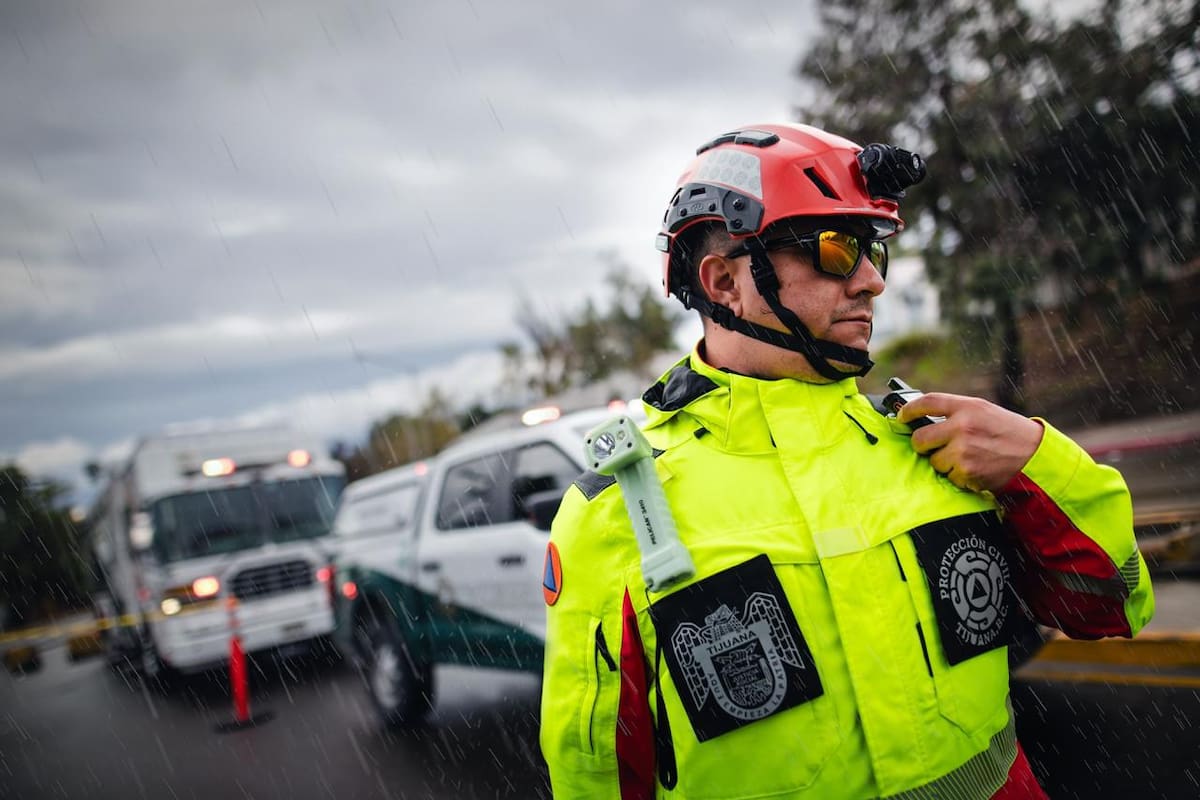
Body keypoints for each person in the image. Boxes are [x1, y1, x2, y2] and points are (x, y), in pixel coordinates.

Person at [539, 123, 1155, 799]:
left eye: (873, 253)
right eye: (834, 251)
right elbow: (594, 776)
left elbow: (1115, 606)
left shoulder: (936, 445)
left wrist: (1038, 463)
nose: (870, 283)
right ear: (723, 283)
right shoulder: (616, 512)